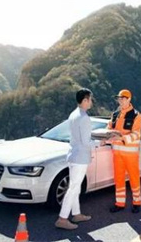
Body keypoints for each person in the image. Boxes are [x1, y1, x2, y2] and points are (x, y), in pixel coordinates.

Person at [55, 88, 94, 230]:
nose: (91, 102)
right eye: (90, 99)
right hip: (80, 157)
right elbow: (86, 141)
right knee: (73, 188)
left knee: (75, 187)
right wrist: (99, 143)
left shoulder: (73, 114)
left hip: (73, 155)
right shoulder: (84, 117)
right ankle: (62, 218)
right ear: (84, 100)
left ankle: (76, 214)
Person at [107, 89, 141, 213]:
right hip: (117, 154)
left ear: (129, 99)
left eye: (123, 98)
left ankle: (137, 202)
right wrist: (104, 137)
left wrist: (121, 138)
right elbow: (109, 128)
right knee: (119, 179)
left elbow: (137, 134)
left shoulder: (136, 115)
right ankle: (119, 203)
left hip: (131, 154)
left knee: (134, 178)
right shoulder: (115, 114)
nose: (120, 101)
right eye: (119, 98)